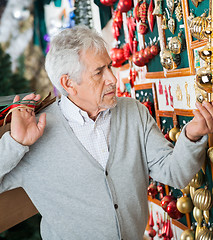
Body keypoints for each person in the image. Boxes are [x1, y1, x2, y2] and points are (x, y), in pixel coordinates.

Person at [0, 25, 212, 240]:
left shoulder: (133, 111)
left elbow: (174, 174)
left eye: (109, 67)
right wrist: (15, 143)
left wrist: (192, 136)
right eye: (99, 72)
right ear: (68, 83)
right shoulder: (33, 135)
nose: (112, 78)